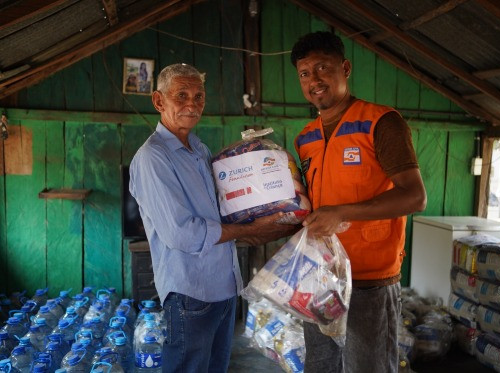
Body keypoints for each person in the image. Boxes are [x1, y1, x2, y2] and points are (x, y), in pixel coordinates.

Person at [129, 63, 295, 373]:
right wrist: (249, 228)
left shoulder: (200, 150)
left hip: (225, 289)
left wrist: (270, 210)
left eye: (199, 96)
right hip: (191, 294)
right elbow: (182, 234)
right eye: (181, 95)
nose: (191, 104)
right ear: (158, 101)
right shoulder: (153, 157)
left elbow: (224, 210)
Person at [291, 32, 427, 373]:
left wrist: (342, 213)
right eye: (305, 73)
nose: (314, 80)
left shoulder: (381, 122)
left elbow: (414, 196)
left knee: (368, 368)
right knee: (320, 365)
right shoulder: (305, 138)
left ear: (345, 68)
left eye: (323, 67)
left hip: (368, 280)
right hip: (319, 275)